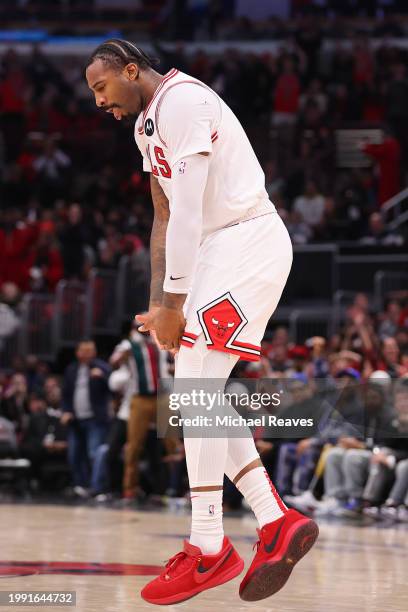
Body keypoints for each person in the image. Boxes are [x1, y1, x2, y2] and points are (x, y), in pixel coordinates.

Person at [86, 39, 318, 605]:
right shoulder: (147, 127)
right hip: (218, 251)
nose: (99, 102)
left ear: (131, 70)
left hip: (247, 242)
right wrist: (158, 304)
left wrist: (175, 301)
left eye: (101, 87)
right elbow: (164, 218)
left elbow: (189, 210)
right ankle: (274, 519)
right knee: (196, 390)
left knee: (193, 386)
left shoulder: (183, 101)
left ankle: (209, 546)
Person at [61, 340, 111, 498]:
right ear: (78, 352)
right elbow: (66, 394)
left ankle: (96, 487)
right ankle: (80, 485)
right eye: (85, 350)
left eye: (91, 350)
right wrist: (66, 411)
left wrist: (102, 377)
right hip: (76, 419)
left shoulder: (102, 367)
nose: (89, 353)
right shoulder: (71, 370)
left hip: (95, 420)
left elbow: (114, 387)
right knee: (74, 454)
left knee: (94, 454)